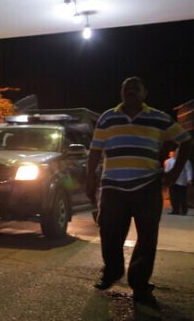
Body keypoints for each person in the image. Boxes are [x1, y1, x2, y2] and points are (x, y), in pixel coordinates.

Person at [86, 77, 192, 314]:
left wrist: (174, 172)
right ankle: (113, 270)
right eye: (126, 89)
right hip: (113, 187)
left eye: (135, 88)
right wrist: (90, 178)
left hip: (147, 187)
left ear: (145, 93)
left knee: (147, 238)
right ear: (121, 92)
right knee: (109, 231)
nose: (130, 92)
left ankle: (140, 285)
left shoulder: (159, 118)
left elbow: (186, 141)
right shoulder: (107, 118)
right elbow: (95, 151)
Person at [164, 150, 193, 215]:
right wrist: (166, 179)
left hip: (182, 181)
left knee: (182, 196)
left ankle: (183, 210)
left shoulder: (185, 161)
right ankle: (175, 210)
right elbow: (167, 170)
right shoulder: (170, 161)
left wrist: (189, 179)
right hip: (172, 181)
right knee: (173, 196)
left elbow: (188, 170)